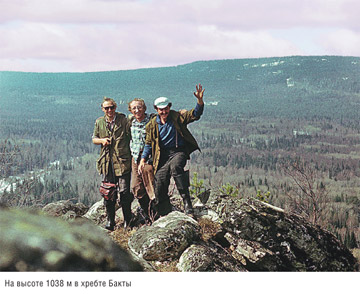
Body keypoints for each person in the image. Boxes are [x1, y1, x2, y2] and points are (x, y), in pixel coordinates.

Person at [138, 84, 205, 217]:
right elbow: (148, 143)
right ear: (156, 109)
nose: (164, 112)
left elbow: (195, 114)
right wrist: (143, 159)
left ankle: (187, 202)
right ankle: (165, 213)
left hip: (178, 151)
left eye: (166, 109)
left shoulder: (176, 117)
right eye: (161, 110)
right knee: (160, 181)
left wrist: (200, 101)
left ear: (169, 107)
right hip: (162, 156)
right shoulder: (152, 125)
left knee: (176, 168)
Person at [92, 97, 133, 230]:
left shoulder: (123, 120)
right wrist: (102, 140)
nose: (109, 110)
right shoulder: (99, 122)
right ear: (102, 109)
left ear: (115, 107)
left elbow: (133, 132)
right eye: (106, 108)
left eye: (112, 107)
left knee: (124, 192)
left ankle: (128, 220)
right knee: (108, 193)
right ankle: (111, 221)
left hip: (122, 162)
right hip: (107, 162)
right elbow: (94, 139)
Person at [128, 98, 156, 222]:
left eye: (139, 107)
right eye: (134, 108)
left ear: (144, 108)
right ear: (130, 110)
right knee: (136, 187)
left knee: (150, 185)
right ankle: (146, 213)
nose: (137, 110)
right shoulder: (130, 122)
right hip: (135, 158)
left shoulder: (152, 120)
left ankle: (155, 213)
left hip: (149, 158)